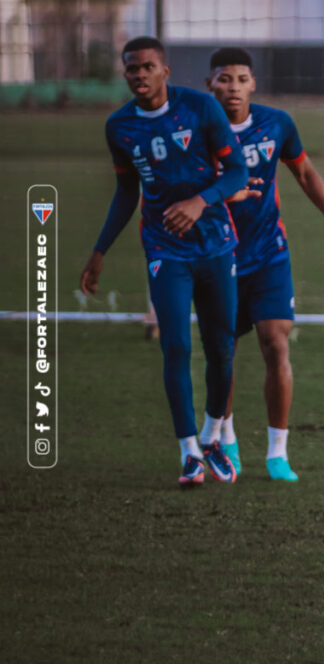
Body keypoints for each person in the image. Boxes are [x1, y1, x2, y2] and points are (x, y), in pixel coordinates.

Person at [80, 36, 248, 486]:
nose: (139, 74)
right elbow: (125, 192)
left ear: (165, 71)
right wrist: (99, 251)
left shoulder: (200, 109)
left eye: (148, 67)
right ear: (126, 73)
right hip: (164, 249)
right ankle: (189, 452)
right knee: (175, 345)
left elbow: (237, 172)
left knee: (222, 348)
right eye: (132, 68)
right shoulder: (119, 127)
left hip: (215, 243)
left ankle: (214, 435)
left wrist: (200, 201)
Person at [205, 47, 324, 481]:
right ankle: (226, 439)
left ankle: (278, 452)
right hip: (216, 257)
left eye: (241, 79)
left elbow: (304, 172)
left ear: (253, 84)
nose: (233, 87)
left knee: (276, 344)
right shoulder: (197, 128)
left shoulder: (276, 123)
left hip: (268, 254)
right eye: (224, 79)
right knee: (222, 353)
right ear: (210, 84)